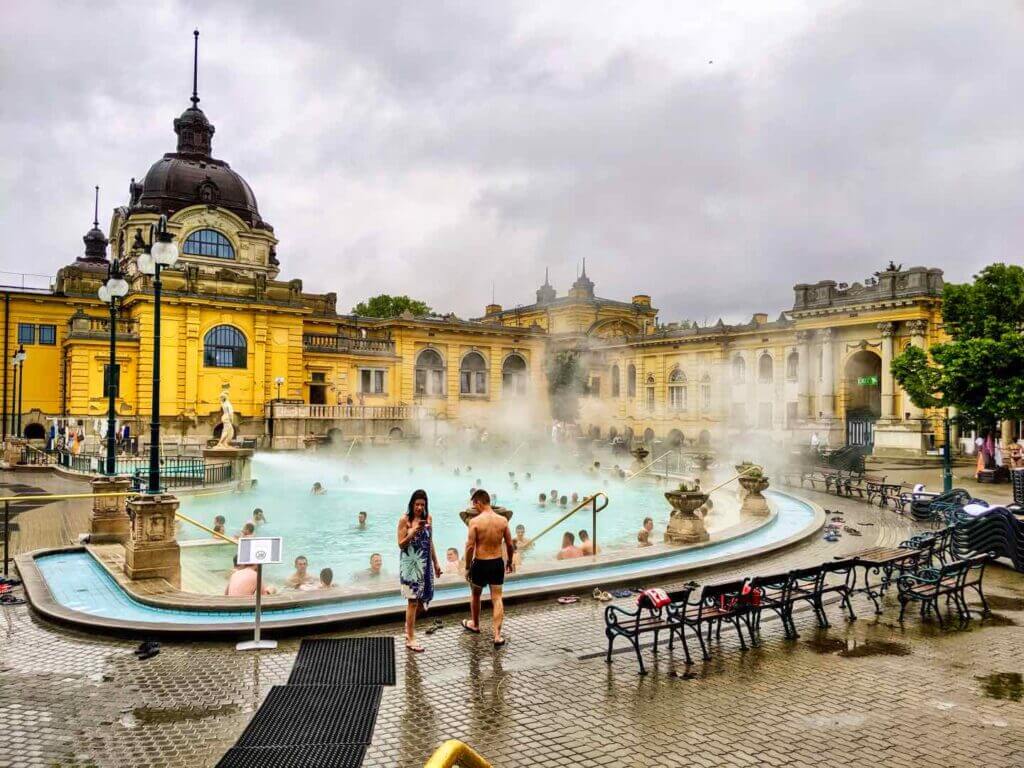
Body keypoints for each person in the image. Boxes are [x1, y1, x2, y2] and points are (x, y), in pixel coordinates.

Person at [463, 489, 514, 646]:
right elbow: (510, 544)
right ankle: (497, 635)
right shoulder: (503, 521)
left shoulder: (475, 522)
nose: (475, 508)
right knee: (497, 598)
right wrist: (509, 561)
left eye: (474, 504)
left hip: (481, 562)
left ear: (478, 502)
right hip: (497, 562)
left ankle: (475, 625)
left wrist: (467, 566)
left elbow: (470, 546)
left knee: (476, 595)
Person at [397, 489, 442, 653]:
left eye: (422, 505)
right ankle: (410, 637)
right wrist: (413, 532)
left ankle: (408, 628)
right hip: (410, 565)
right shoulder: (405, 520)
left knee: (421, 602)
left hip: (425, 565)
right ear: (412, 504)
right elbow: (401, 544)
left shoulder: (428, 519)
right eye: (417, 504)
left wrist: (436, 563)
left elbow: (430, 542)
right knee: (413, 601)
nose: (419, 508)